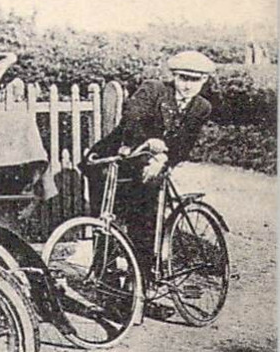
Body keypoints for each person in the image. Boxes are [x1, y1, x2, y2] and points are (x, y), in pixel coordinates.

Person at [85, 49, 215, 272]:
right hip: (115, 160)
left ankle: (142, 282)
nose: (187, 86)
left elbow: (185, 143)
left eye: (195, 80)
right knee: (107, 220)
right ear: (174, 76)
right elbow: (132, 119)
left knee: (146, 220)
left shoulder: (201, 107)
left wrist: (163, 158)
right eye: (183, 78)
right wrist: (149, 141)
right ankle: (104, 276)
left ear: (204, 81)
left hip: (152, 167)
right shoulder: (153, 90)